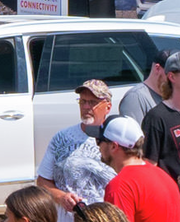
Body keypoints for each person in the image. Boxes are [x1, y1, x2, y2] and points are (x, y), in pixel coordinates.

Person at [43, 75, 121, 204]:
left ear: (108, 107)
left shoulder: (118, 140)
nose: (86, 107)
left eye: (92, 102)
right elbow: (43, 181)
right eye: (82, 101)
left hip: (104, 219)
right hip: (68, 220)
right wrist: (61, 197)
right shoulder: (61, 138)